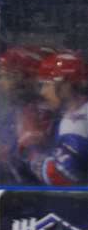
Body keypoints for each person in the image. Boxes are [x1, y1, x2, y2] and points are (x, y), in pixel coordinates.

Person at [33, 51, 87, 185]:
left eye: (47, 84)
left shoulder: (79, 124)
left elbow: (60, 175)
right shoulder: (71, 114)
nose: (43, 92)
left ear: (66, 85)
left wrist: (30, 151)